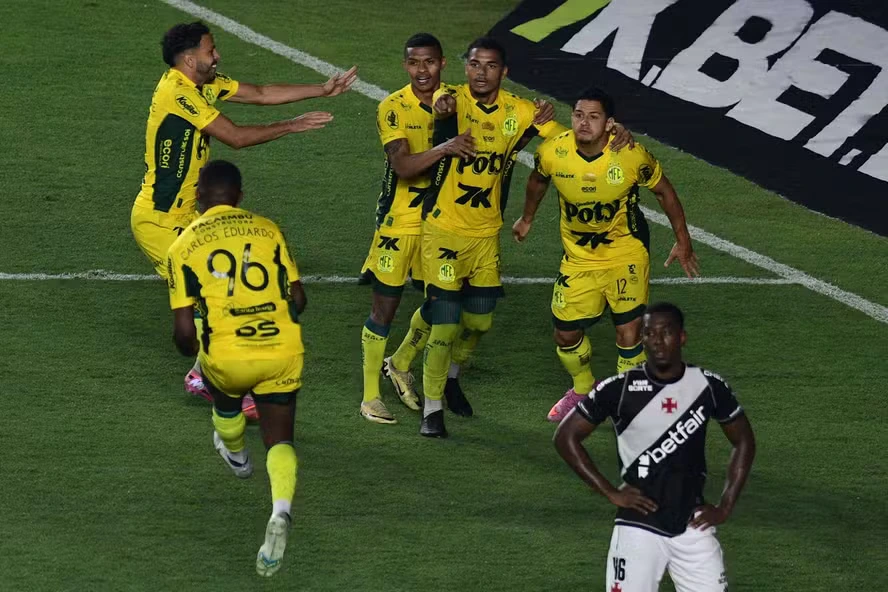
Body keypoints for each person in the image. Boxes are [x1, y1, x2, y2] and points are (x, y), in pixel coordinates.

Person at [410, 37, 633, 437]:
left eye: (490, 65)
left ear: (504, 71)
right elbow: (441, 104)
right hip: (443, 231)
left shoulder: (521, 111)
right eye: (474, 64)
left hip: (485, 236)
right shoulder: (453, 99)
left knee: (479, 321)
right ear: (465, 68)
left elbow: (570, 139)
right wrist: (442, 108)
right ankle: (432, 410)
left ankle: (452, 376)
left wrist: (612, 133)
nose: (481, 73)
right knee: (445, 323)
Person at [131, 21, 354, 415]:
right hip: (159, 220)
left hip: (188, 215)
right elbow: (233, 137)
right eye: (210, 50)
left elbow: (261, 93)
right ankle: (210, 379)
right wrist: (292, 125)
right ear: (189, 60)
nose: (217, 56)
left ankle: (204, 372)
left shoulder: (203, 84)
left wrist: (322, 89)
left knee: (219, 291)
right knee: (208, 296)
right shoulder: (178, 93)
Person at [512, 88, 699, 423]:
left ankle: (627, 404)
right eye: (579, 115)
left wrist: (682, 240)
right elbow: (537, 181)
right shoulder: (553, 152)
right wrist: (527, 218)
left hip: (625, 252)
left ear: (610, 123)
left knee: (628, 334)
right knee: (565, 333)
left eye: (594, 117)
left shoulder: (630, 155)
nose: (584, 123)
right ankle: (583, 388)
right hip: (578, 258)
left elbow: (664, 191)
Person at [554, 302, 756, 592]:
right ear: (642, 339)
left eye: (666, 332)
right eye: (649, 333)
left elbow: (744, 440)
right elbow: (565, 437)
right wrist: (610, 492)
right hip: (637, 527)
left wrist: (725, 506)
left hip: (693, 526)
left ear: (682, 337)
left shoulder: (707, 386)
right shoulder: (619, 388)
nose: (657, 341)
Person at [166, 160, 306, 577]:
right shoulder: (268, 229)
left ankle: (238, 456)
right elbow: (299, 299)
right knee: (280, 439)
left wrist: (197, 348)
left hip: (228, 354)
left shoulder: (182, 245)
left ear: (197, 197)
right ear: (240, 197)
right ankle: (280, 510)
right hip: (281, 347)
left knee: (226, 404)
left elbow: (183, 332)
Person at [357, 33, 475, 424]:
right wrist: (446, 146)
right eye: (413, 62)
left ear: (443, 63)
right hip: (401, 219)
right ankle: (370, 398)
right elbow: (404, 167)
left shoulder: (461, 102)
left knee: (443, 304)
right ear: (405, 65)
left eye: (429, 62)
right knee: (384, 308)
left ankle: (401, 361)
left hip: (444, 220)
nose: (421, 70)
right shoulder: (392, 107)